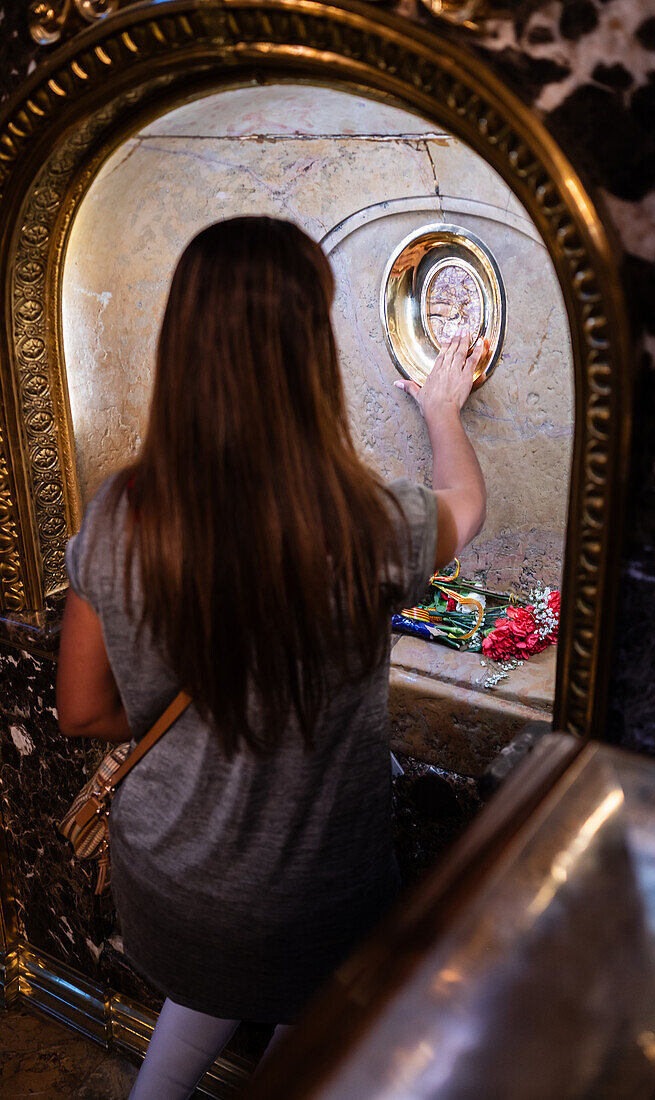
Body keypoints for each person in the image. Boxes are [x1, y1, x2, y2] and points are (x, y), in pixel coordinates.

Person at [56, 217, 487, 1098]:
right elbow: (465, 507)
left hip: (169, 883)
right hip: (311, 894)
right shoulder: (365, 524)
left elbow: (80, 710)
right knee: (314, 1018)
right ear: (309, 354)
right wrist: (442, 408)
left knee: (216, 989)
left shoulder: (119, 512)